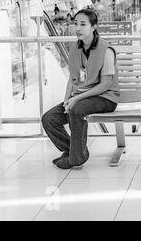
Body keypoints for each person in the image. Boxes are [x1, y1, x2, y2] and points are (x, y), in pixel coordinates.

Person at [42, 9, 120, 169]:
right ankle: (73, 151)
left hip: (105, 98)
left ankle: (76, 158)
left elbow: (105, 84)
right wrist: (66, 100)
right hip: (80, 98)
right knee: (49, 118)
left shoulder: (106, 50)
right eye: (75, 24)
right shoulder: (75, 49)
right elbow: (72, 78)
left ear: (93, 27)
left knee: (76, 110)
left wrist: (75, 99)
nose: (77, 28)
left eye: (83, 24)